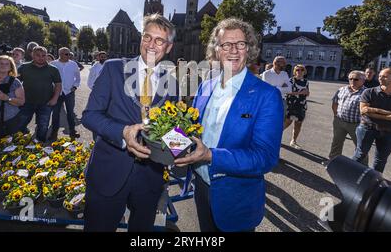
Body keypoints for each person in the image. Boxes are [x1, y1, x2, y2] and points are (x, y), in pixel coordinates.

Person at [174, 18, 283, 232]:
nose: (233, 50)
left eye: (240, 44)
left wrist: (211, 156)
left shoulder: (267, 95)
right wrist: (166, 138)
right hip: (201, 188)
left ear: (249, 49)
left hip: (235, 199)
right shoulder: (206, 86)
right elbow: (192, 131)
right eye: (226, 44)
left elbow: (264, 158)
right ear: (217, 50)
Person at [82, 13, 178, 232]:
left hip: (150, 179)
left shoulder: (172, 83)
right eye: (147, 37)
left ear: (169, 47)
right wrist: (122, 132)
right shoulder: (113, 68)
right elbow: (90, 115)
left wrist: (181, 148)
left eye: (159, 40)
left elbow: (173, 128)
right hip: (109, 173)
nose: (151, 45)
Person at [352, 68, 391, 173]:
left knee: (381, 160)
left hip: (389, 131)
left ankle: (374, 182)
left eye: (384, 76)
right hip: (367, 128)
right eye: (379, 75)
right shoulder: (369, 92)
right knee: (360, 155)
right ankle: (347, 177)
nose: (380, 78)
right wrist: (389, 115)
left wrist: (374, 111)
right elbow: (364, 110)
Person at [323, 70, 367, 166]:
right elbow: (335, 103)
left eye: (356, 79)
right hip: (339, 121)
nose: (352, 81)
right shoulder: (342, 89)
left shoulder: (366, 92)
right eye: (350, 79)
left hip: (356, 124)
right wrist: (336, 115)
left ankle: (362, 167)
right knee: (336, 143)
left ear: (363, 80)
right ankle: (332, 162)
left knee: (360, 147)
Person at [18, 46, 62, 142]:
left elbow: (58, 85)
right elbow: (15, 84)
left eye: (43, 55)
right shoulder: (23, 67)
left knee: (43, 126)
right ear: (32, 55)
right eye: (38, 55)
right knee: (20, 124)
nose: (41, 57)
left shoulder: (53, 69)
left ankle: (39, 145)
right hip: (26, 102)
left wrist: (55, 99)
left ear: (46, 56)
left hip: (46, 103)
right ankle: (18, 145)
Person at [50, 47, 81, 140]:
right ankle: (54, 133)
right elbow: (49, 78)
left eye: (69, 54)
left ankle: (72, 131)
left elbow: (78, 77)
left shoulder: (73, 64)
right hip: (56, 93)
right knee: (55, 113)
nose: (69, 56)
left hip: (69, 92)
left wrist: (75, 87)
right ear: (60, 54)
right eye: (67, 54)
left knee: (70, 113)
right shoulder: (53, 64)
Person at [283, 65, 310, 149]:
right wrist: (299, 93)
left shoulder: (306, 81)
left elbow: (307, 93)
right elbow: (285, 91)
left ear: (304, 71)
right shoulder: (290, 80)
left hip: (301, 105)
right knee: (287, 122)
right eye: (297, 70)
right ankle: (275, 136)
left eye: (302, 70)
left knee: (298, 124)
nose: (299, 71)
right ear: (295, 71)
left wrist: (307, 93)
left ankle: (293, 141)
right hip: (291, 104)